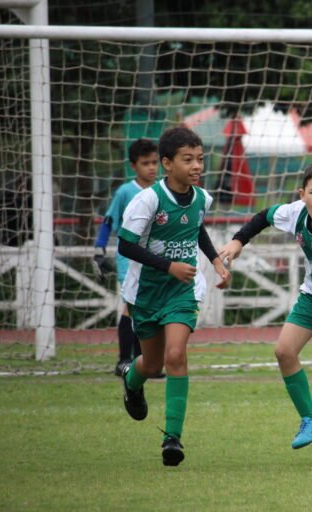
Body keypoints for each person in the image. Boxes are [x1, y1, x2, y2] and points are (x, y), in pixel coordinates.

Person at [218, 161, 312, 450]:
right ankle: (311, 420)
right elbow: (263, 216)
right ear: (302, 194)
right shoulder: (294, 212)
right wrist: (237, 241)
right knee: (283, 351)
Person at [117, 127, 231, 466]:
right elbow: (125, 244)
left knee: (176, 355)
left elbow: (196, 228)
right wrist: (168, 266)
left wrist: (215, 262)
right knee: (151, 365)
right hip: (147, 292)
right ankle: (131, 381)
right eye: (188, 160)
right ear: (167, 163)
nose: (197, 166)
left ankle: (172, 439)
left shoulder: (201, 198)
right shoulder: (148, 199)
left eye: (200, 159)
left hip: (183, 291)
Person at [92, 139, 159, 376]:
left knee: (147, 310)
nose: (151, 168)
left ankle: (145, 364)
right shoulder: (125, 192)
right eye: (145, 163)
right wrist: (99, 250)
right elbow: (109, 221)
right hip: (128, 258)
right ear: (134, 166)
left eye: (154, 162)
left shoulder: (161, 190)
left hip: (153, 259)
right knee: (131, 307)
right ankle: (124, 361)